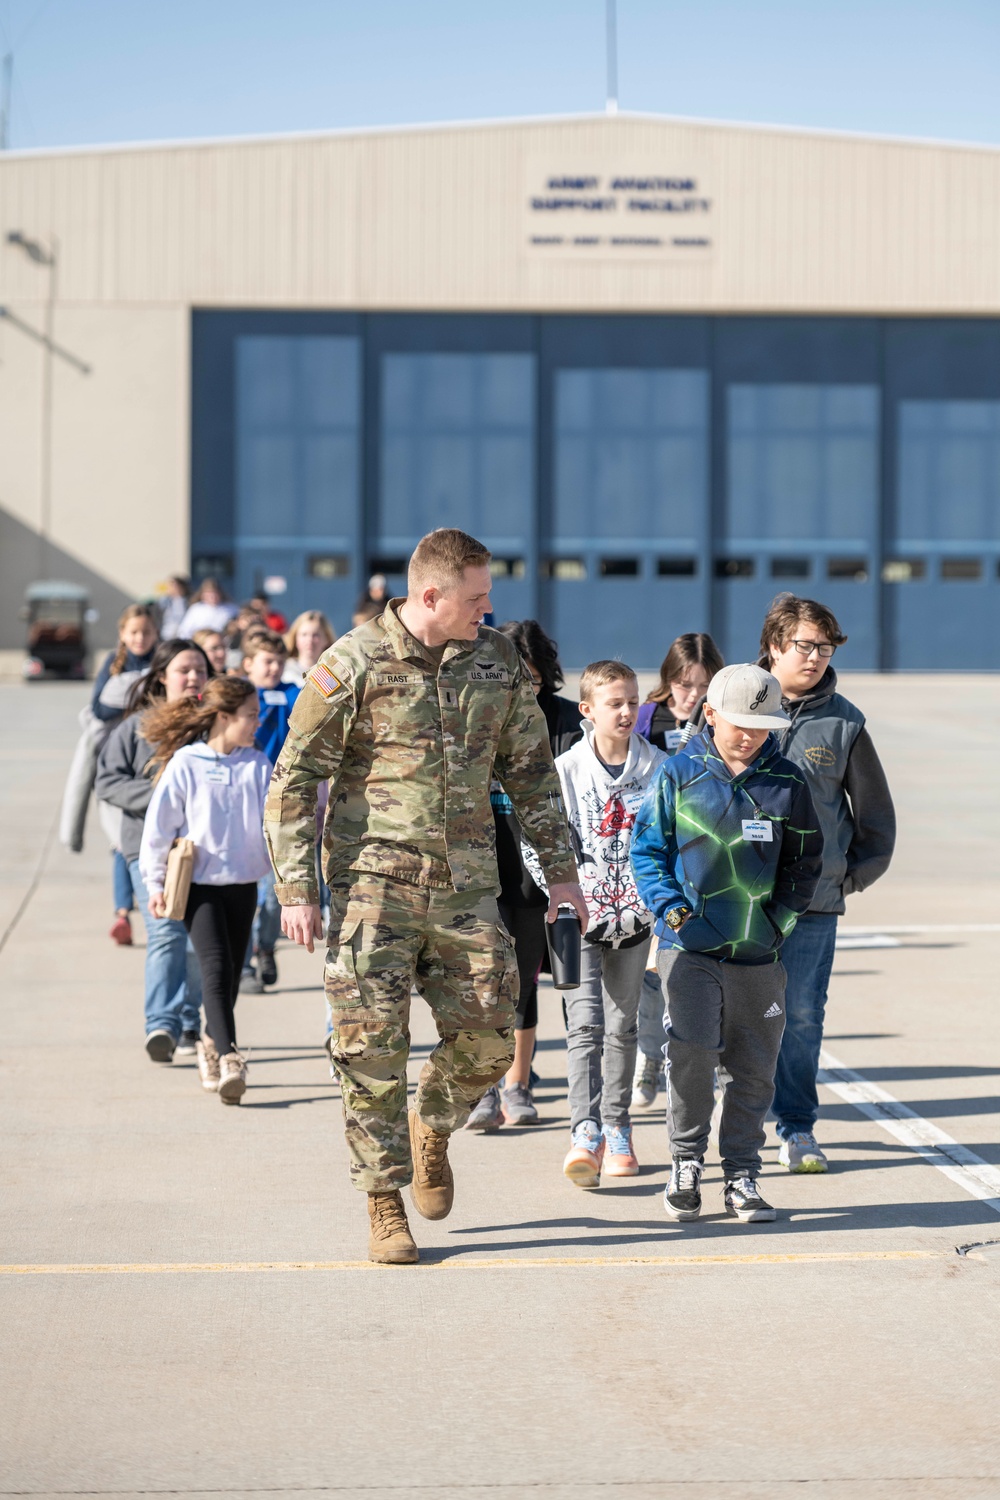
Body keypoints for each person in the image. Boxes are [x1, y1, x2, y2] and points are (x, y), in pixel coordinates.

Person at [264, 527, 585, 1265]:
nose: (489, 608)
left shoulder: (498, 660)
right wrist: (295, 885)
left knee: (491, 1035)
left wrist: (560, 870)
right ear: (430, 594)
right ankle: (384, 1202)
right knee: (370, 1049)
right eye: (476, 597)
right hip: (372, 890)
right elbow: (294, 778)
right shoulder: (351, 664)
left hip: (466, 885)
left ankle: (432, 1124)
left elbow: (531, 772)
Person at [631, 663, 823, 1224]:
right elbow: (647, 852)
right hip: (688, 948)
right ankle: (685, 1164)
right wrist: (671, 908)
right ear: (709, 714)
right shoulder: (677, 774)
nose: (751, 735)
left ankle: (742, 1173)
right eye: (740, 723)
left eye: (763, 726)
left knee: (755, 1068)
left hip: (759, 953)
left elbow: (805, 862)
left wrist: (780, 921)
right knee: (690, 1055)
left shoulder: (787, 783)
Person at [759, 595, 896, 1173]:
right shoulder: (735, 703)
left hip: (812, 904)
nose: (815, 657)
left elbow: (875, 820)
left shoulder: (845, 722)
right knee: (723, 1017)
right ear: (773, 647)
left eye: (825, 647)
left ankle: (796, 1128)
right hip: (733, 901)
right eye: (804, 645)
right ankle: (736, 1118)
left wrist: (844, 878)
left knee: (802, 1017)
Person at [552, 661, 668, 1187]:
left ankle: (618, 1128)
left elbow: (669, 843)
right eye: (614, 703)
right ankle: (585, 1131)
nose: (626, 711)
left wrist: (660, 907)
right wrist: (560, 895)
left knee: (623, 1028)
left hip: (636, 922)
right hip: (576, 922)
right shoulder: (566, 771)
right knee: (585, 1027)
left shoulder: (662, 769)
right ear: (587, 710)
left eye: (632, 701)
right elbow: (542, 842)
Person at [466, 620, 583, 1131]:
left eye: (533, 677)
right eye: (517, 675)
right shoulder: (480, 714)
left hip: (541, 869)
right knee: (481, 981)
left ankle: (517, 1083)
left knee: (526, 982)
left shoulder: (564, 722)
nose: (526, 685)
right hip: (485, 866)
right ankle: (483, 1087)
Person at [139, 678, 273, 1105]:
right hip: (198, 887)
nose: (257, 722)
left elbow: (276, 825)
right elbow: (158, 830)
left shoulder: (257, 764)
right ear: (224, 717)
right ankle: (232, 1056)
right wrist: (155, 884)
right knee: (215, 967)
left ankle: (210, 1044)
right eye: (250, 715)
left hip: (244, 885)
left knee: (232, 973)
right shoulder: (186, 763)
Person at [95, 639, 212, 1062]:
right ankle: (160, 1025)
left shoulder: (214, 725)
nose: (194, 677)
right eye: (185, 669)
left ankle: (187, 1021)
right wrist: (161, 796)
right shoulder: (135, 727)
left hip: (203, 851)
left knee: (198, 942)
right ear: (162, 676)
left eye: (201, 669)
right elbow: (106, 781)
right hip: (146, 850)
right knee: (165, 931)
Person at [632, 632, 725, 1110]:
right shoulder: (645, 720)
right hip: (652, 866)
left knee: (695, 972)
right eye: (683, 685)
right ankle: (650, 1055)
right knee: (652, 975)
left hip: (700, 867)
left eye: (702, 686)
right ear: (668, 680)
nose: (691, 696)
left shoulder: (719, 724)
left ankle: (701, 1062)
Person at [92, 604, 160, 946]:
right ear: (122, 634)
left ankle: (138, 902)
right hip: (119, 754)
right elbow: (99, 707)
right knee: (118, 839)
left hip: (149, 753)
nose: (139, 638)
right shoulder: (113, 663)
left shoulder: (161, 662)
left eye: (146, 632)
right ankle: (122, 912)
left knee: (139, 835)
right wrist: (132, 696)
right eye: (133, 632)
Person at [239, 629, 300, 992]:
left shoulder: (294, 694)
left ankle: (265, 946)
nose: (275, 667)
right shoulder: (241, 699)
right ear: (248, 665)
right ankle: (245, 962)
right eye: (267, 661)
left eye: (279, 661)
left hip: (283, 804)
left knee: (274, 893)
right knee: (250, 889)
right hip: (248, 802)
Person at [283, 611, 336, 687]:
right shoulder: (283, 670)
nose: (309, 640)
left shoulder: (333, 672)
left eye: (316, 635)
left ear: (327, 639)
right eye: (304, 634)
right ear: (295, 638)